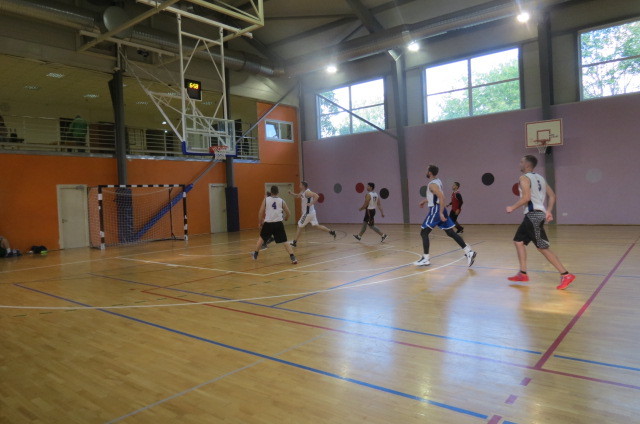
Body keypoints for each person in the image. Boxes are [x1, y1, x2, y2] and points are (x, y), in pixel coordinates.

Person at [506, 155, 575, 290]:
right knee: (518, 241)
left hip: (533, 216)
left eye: (521, 162)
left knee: (542, 247)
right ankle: (523, 273)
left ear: (527, 165)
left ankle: (566, 274)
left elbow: (526, 198)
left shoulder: (524, 178)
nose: (519, 164)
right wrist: (548, 211)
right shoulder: (540, 178)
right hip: (535, 215)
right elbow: (552, 195)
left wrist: (512, 207)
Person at [413, 165, 477, 267]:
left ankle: (425, 259)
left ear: (430, 172)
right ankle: (468, 251)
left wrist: (440, 212)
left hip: (436, 210)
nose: (426, 171)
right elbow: (435, 197)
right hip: (440, 208)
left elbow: (442, 197)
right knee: (450, 232)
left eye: (427, 170)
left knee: (424, 232)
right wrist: (425, 201)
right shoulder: (438, 181)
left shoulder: (432, 185)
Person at [251, 185, 297, 264]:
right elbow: (288, 213)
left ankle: (255, 254)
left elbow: (260, 212)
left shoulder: (266, 200)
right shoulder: (281, 201)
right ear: (278, 192)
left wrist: (260, 222)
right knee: (285, 241)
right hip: (278, 224)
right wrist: (286, 218)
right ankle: (293, 257)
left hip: (268, 224)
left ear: (271, 192)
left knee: (261, 238)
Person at [288, 181, 336, 247]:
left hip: (307, 213)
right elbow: (297, 196)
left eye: (300, 185)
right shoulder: (302, 192)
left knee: (299, 226)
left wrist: (311, 203)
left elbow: (316, 196)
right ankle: (331, 232)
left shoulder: (307, 192)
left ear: (303, 186)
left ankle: (294, 242)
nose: (299, 186)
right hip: (312, 213)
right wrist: (291, 193)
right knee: (316, 226)